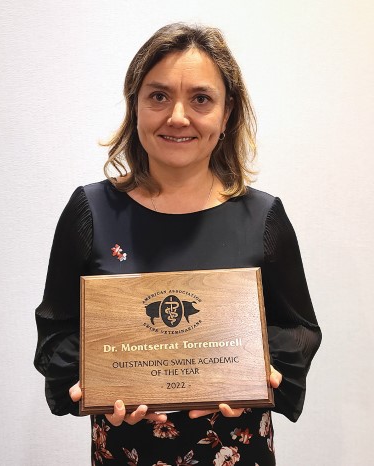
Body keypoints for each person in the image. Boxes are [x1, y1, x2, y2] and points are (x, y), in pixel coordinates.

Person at [34, 23, 321, 466]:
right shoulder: (90, 210)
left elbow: (300, 329)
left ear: (227, 115)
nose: (178, 116)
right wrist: (96, 379)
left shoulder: (263, 218)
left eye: (201, 99)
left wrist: (254, 371)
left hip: (235, 450)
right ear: (136, 106)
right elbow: (56, 333)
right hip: (126, 452)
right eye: (158, 96)